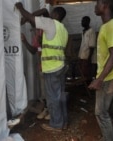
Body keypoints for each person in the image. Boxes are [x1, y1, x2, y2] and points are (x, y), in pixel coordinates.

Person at [15, 2, 68, 132]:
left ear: (55, 14)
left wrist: (20, 7)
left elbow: (32, 19)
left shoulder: (50, 24)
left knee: (53, 98)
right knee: (60, 96)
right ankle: (63, 122)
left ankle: (56, 125)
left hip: (51, 68)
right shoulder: (63, 29)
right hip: (60, 66)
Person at [88, 0, 113, 141]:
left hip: (108, 79)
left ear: (105, 6)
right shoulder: (108, 26)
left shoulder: (111, 27)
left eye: (97, 4)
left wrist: (99, 79)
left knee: (101, 113)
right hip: (112, 76)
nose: (95, 7)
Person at [78, 16, 96, 81]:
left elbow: (92, 46)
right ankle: (84, 86)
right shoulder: (83, 31)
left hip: (87, 57)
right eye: (82, 21)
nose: (82, 23)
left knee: (87, 73)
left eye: (84, 21)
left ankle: (88, 87)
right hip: (82, 56)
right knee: (82, 73)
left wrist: (89, 59)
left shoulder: (91, 31)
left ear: (88, 22)